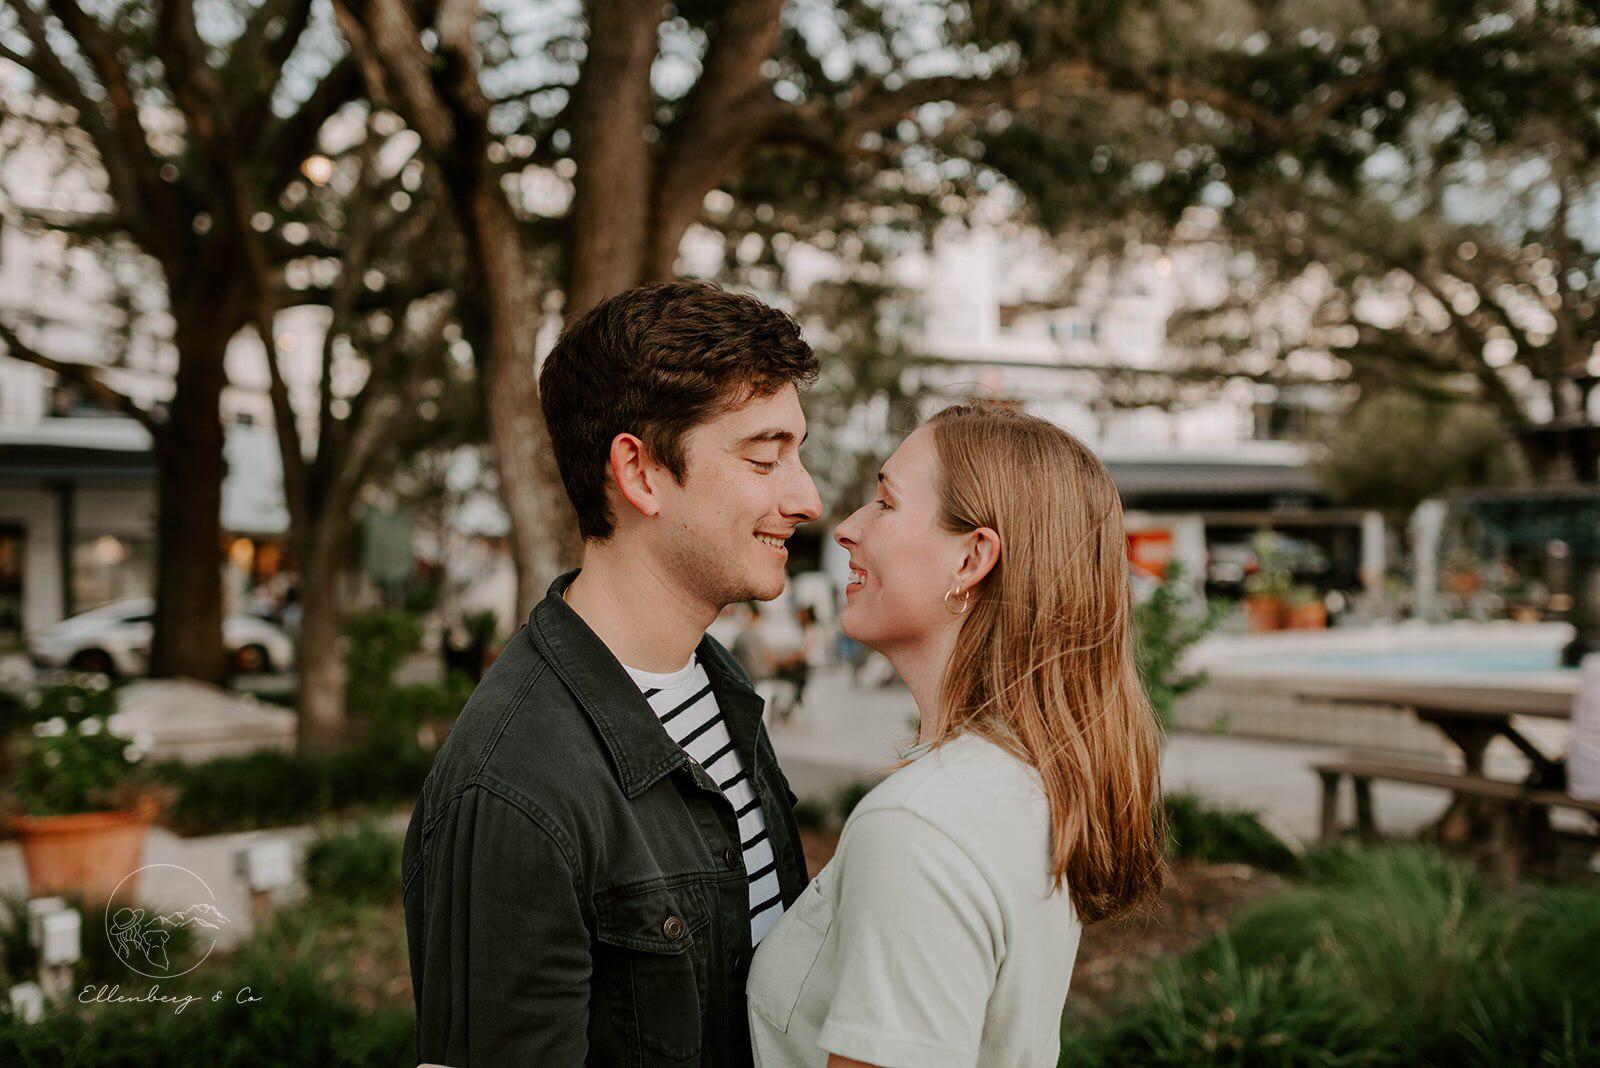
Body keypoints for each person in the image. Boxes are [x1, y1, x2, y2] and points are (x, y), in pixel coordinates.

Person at [403, 280, 823, 1066]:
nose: (807, 498)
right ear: (639, 472)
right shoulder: (513, 788)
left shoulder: (722, 695)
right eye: (765, 458)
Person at [747, 403, 1167, 1067]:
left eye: (885, 503)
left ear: (972, 558)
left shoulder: (920, 827)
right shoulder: (1029, 781)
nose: (847, 527)